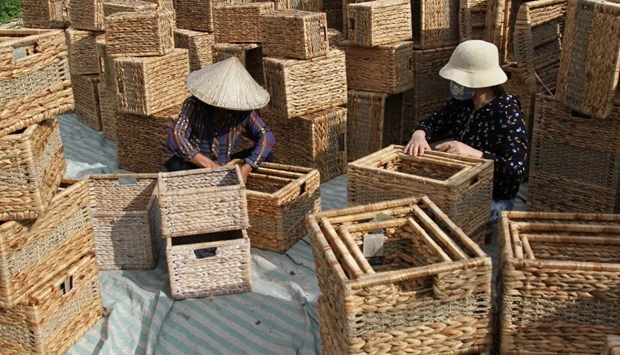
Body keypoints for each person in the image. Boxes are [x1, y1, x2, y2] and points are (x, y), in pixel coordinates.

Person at [404, 40, 527, 227]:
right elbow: (433, 122)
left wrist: (472, 153)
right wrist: (419, 134)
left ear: (480, 83)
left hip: (493, 198)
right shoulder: (462, 103)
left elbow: (514, 170)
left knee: (432, 217)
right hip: (459, 187)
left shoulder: (507, 113)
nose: (455, 84)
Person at [165, 57, 275, 182]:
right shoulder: (194, 105)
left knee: (266, 156)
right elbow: (175, 136)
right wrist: (210, 166)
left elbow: (266, 136)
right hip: (197, 163)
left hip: (226, 163)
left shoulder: (243, 112)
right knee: (175, 165)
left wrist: (247, 166)